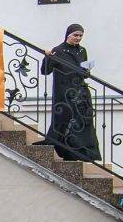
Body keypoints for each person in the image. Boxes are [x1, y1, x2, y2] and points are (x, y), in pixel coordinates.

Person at [39, 24, 100, 161]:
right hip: (64, 92)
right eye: (75, 35)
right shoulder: (58, 50)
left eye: (80, 35)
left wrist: (86, 72)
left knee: (82, 122)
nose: (78, 38)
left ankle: (82, 152)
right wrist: (48, 57)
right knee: (65, 121)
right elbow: (45, 71)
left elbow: (83, 72)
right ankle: (66, 151)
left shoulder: (82, 51)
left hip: (80, 91)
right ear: (68, 35)